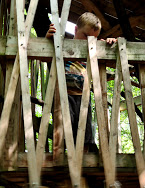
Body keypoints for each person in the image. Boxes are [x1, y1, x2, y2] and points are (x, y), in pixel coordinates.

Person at [46, 12, 116, 152]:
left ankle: (83, 160)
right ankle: (62, 158)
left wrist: (110, 43)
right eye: (85, 36)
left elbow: (108, 55)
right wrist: (48, 40)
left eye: (93, 38)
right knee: (64, 127)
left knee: (85, 131)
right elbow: (46, 55)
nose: (88, 41)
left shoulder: (94, 49)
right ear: (76, 30)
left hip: (83, 96)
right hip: (63, 94)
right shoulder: (62, 45)